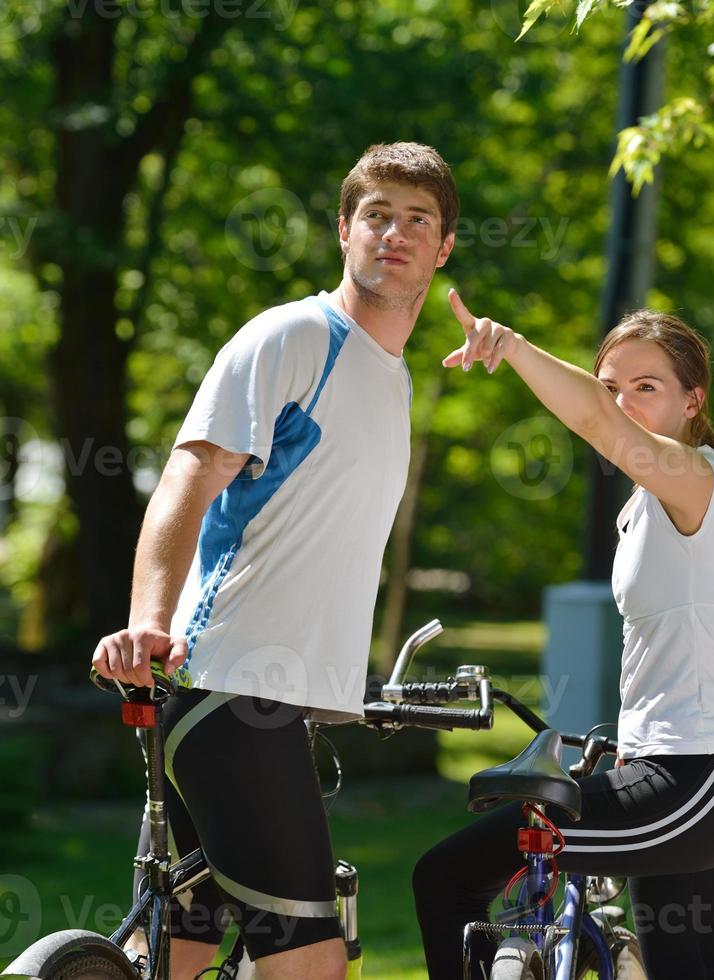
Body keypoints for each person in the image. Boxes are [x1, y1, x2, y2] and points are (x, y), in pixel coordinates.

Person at [92, 142, 459, 980]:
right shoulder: (298, 336)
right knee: (308, 963)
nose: (393, 235)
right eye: (375, 216)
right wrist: (148, 623)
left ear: (443, 249)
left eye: (416, 221)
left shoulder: (391, 375)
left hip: (271, 700)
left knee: (179, 942)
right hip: (227, 683)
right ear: (343, 230)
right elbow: (189, 474)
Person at [412, 295, 714, 980]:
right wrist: (666, 711)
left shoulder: (692, 476)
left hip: (694, 782)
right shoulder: (663, 501)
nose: (622, 403)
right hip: (704, 774)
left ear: (691, 401)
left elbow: (596, 425)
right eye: (611, 386)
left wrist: (513, 347)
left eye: (646, 388)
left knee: (445, 877)